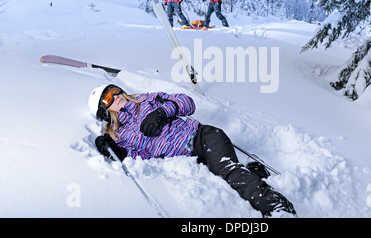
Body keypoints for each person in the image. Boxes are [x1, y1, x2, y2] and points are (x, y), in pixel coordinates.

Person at [88, 84, 296, 218]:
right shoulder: (123, 135)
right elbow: (139, 157)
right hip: (188, 161)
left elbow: (187, 103)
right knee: (224, 181)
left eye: (114, 90)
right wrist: (113, 150)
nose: (115, 96)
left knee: (227, 171)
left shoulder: (147, 99)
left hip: (203, 137)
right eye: (107, 99)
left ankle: (278, 208)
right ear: (104, 112)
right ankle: (255, 172)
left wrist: (161, 112)